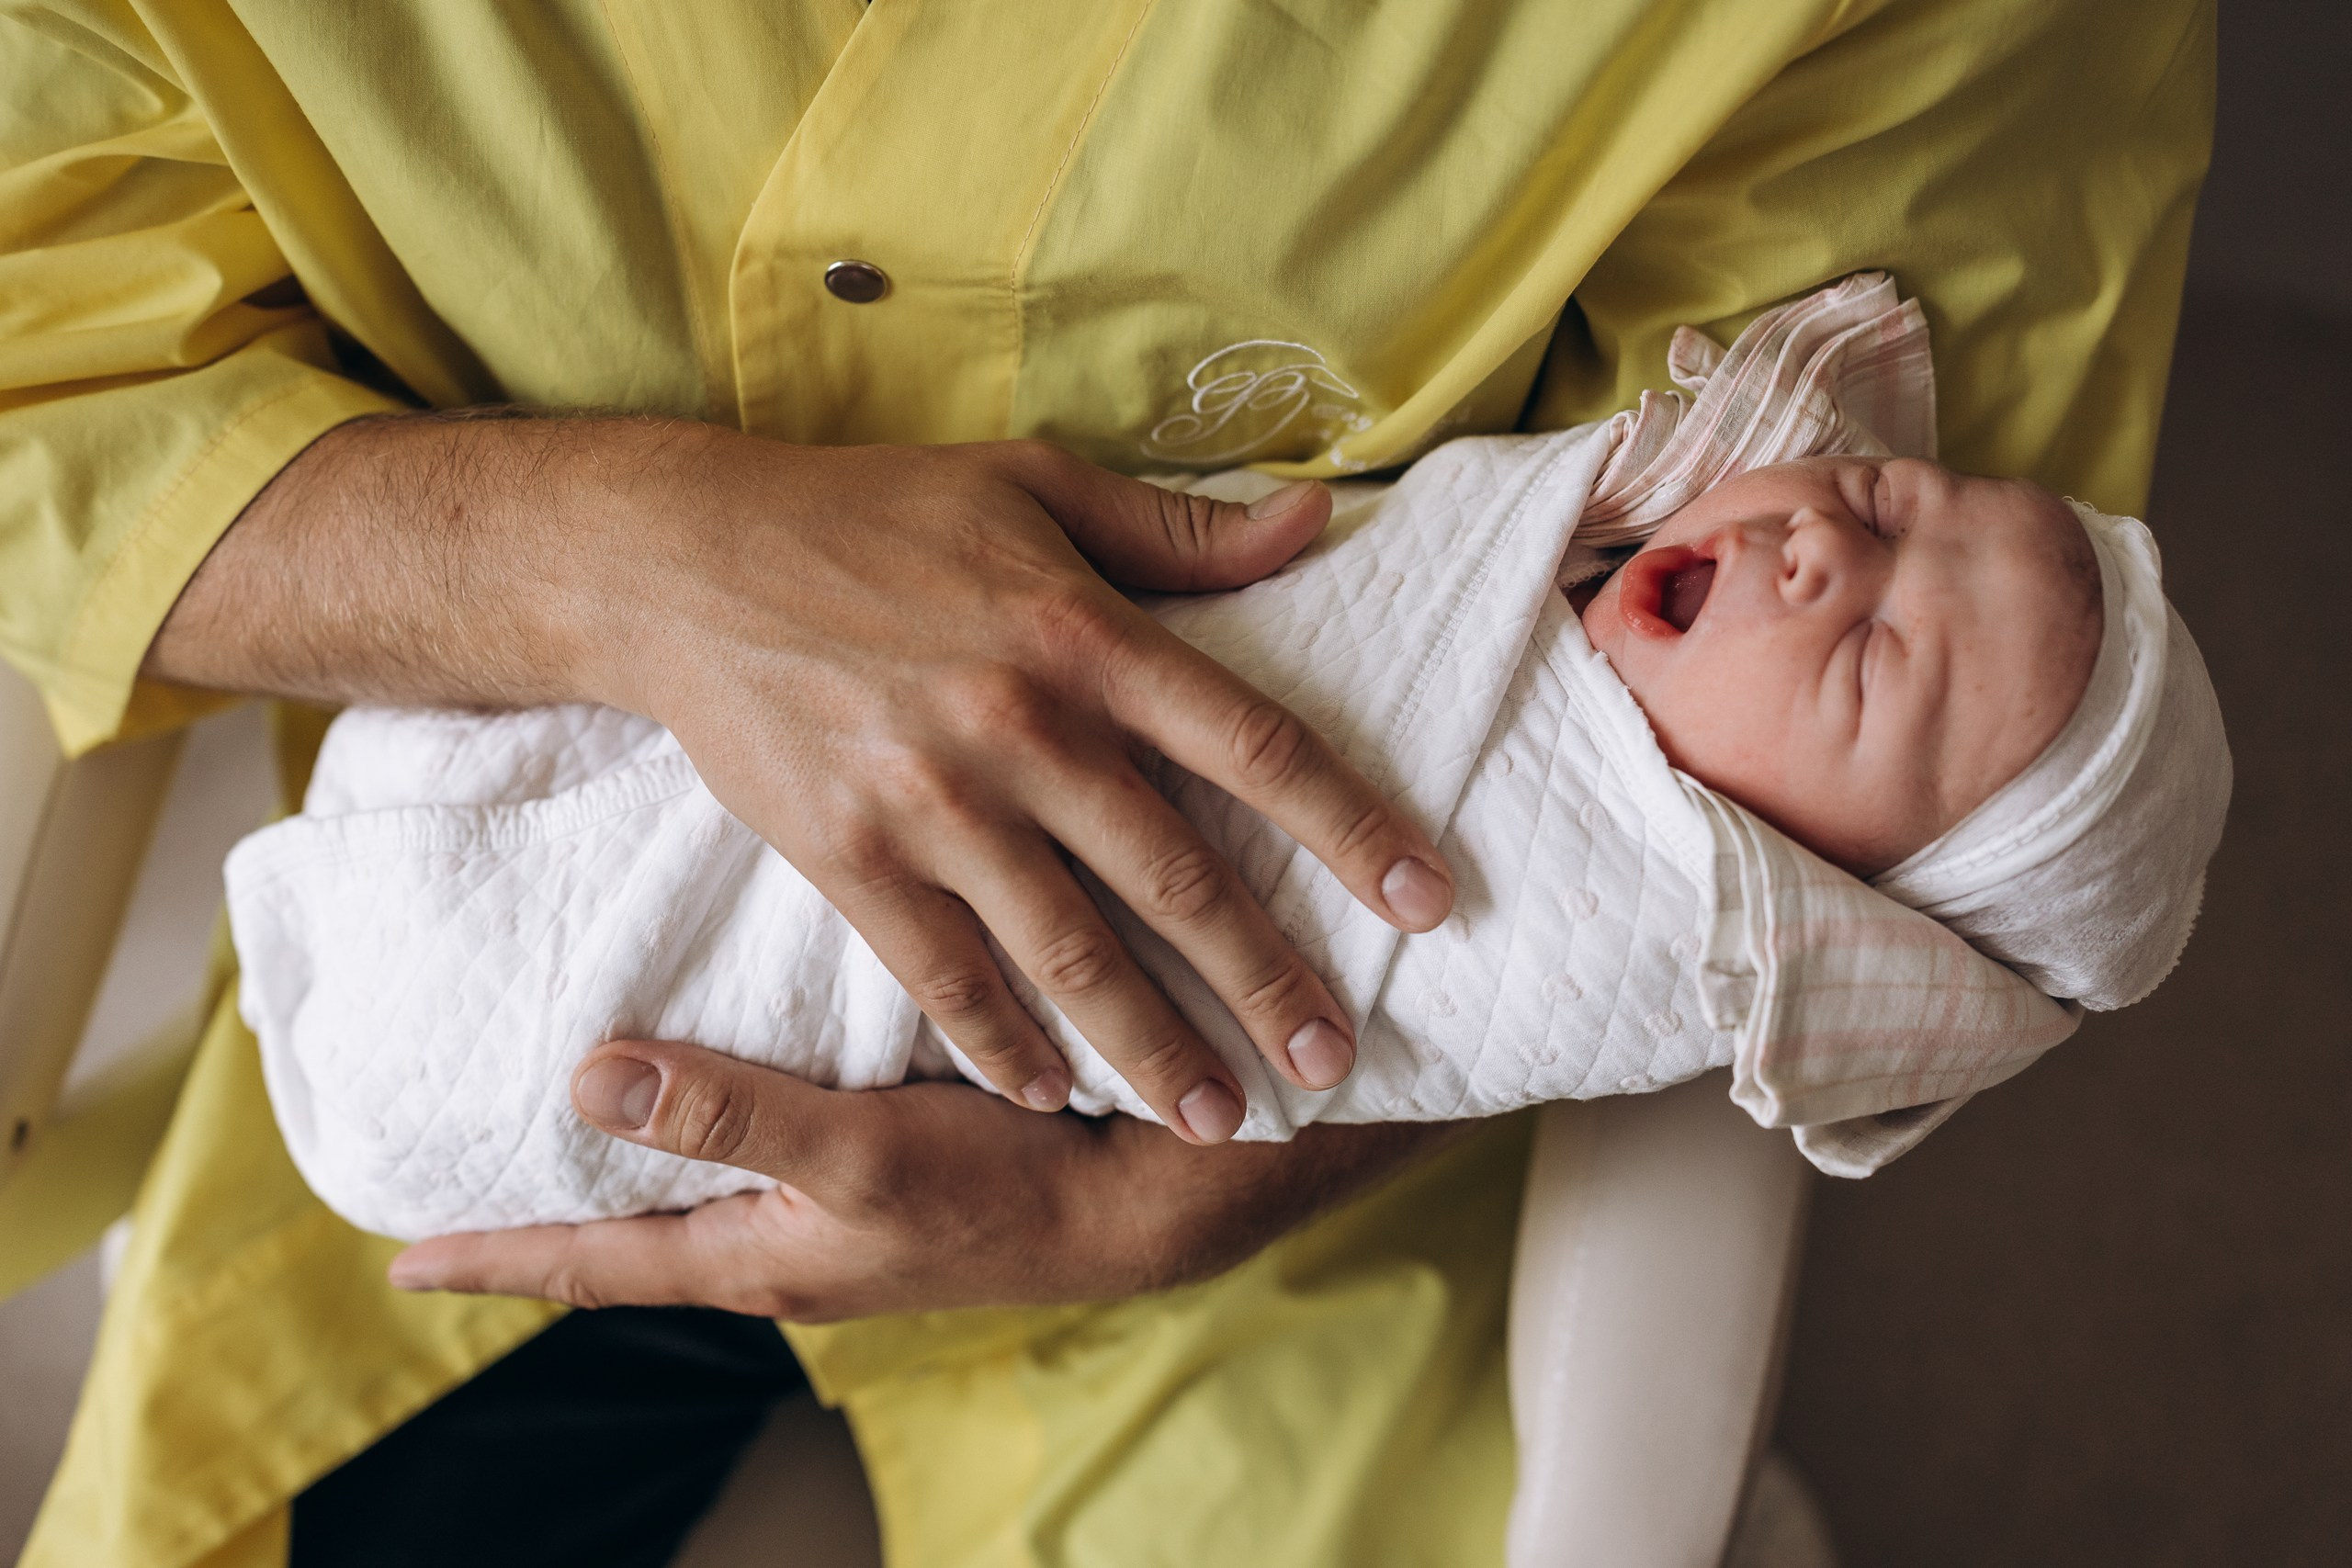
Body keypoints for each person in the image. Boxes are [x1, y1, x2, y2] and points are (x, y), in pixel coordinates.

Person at [0, 3, 2213, 1564]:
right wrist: (618, 567)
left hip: (1277, 1190)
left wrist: (1198, 1165)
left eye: (1884, 592)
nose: (1839, 539)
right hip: (587, 910)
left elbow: (1874, 824)